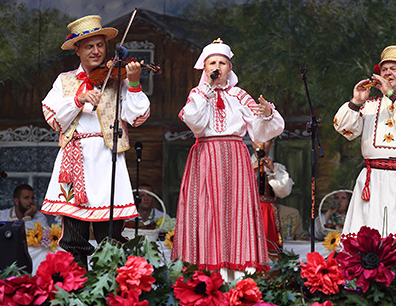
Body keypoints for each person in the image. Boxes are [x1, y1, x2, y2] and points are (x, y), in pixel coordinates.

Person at [40, 15, 150, 266]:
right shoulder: (65, 81)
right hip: (75, 161)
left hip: (107, 159)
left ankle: (112, 294)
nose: (96, 51)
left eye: (100, 45)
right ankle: (75, 292)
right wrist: (78, 100)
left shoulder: (117, 77)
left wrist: (133, 83)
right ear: (77, 50)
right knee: (74, 238)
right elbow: (54, 119)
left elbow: (138, 117)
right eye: (89, 46)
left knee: (111, 237)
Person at [171, 39, 285, 282]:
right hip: (205, 156)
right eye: (212, 62)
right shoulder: (198, 94)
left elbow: (261, 132)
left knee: (236, 210)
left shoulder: (240, 95)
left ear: (230, 68)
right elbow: (194, 121)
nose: (217, 66)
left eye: (222, 62)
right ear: (205, 68)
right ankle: (204, 274)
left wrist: (267, 115)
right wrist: (207, 90)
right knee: (206, 208)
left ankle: (238, 277)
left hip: (235, 156)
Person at [334, 45, 396, 258]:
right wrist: (356, 101)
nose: (387, 72)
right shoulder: (369, 105)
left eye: (394, 68)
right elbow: (344, 128)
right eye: (384, 69)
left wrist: (390, 93)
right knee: (364, 248)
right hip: (372, 183)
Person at [251, 139, 295, 253]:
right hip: (248, 210)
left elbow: (284, 191)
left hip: (267, 211)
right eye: (259, 141)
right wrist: (251, 169)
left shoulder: (277, 167)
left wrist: (273, 170)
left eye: (267, 141)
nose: (262, 144)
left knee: (268, 245)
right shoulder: (243, 165)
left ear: (271, 144)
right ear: (252, 143)